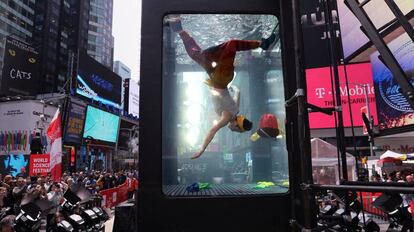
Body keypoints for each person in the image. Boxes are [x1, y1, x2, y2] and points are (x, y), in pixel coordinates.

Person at [167, 15, 276, 159]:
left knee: (196, 54)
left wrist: (231, 88)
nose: (232, 131)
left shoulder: (235, 110)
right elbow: (212, 131)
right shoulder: (226, 118)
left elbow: (238, 92)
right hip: (220, 78)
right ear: (236, 125)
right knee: (230, 45)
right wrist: (202, 149)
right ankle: (262, 44)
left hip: (218, 77)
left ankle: (178, 28)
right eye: (236, 131)